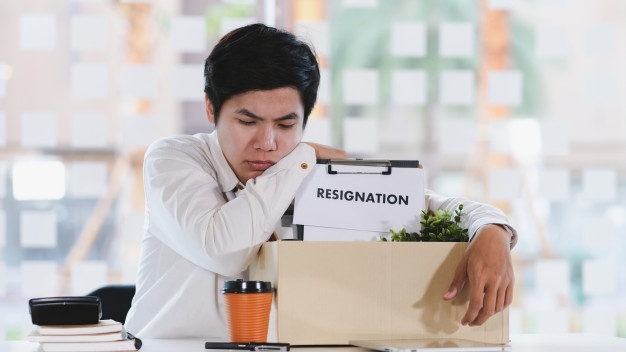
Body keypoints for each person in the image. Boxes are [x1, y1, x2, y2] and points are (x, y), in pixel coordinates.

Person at [124, 23, 517, 338]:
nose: (267, 143)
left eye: (286, 124)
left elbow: (422, 203)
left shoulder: (305, 168)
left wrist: (492, 228)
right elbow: (224, 249)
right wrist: (300, 159)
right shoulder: (173, 158)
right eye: (247, 122)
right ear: (211, 107)